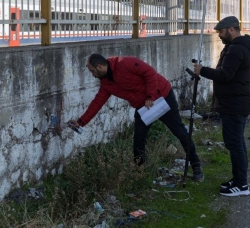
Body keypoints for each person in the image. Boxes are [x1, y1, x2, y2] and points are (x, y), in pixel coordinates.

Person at [69, 53, 204, 181]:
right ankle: (139, 172)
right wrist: (81, 122)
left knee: (179, 131)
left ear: (99, 66)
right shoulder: (106, 83)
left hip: (162, 96)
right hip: (143, 106)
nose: (92, 75)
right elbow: (97, 102)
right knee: (138, 138)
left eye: (92, 71)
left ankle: (196, 166)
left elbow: (149, 73)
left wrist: (150, 96)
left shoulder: (124, 63)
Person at [193, 16, 250, 197]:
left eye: (221, 31)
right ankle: (238, 179)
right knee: (236, 143)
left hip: (234, 105)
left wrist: (202, 70)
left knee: (235, 144)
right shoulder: (240, 47)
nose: (219, 35)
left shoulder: (236, 49)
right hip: (235, 103)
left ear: (231, 29)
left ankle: (241, 185)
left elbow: (225, 75)